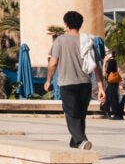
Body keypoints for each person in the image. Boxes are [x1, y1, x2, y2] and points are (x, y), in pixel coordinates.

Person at [44, 10, 106, 149]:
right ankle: (75, 144)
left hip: (68, 84)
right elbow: (96, 67)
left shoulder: (60, 40)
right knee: (80, 115)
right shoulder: (89, 41)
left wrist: (48, 80)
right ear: (80, 24)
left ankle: (81, 140)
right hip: (85, 84)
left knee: (72, 115)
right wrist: (101, 88)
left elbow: (53, 63)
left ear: (66, 24)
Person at [102, 51, 122, 120]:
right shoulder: (113, 61)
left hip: (112, 83)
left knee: (112, 98)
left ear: (110, 55)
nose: (106, 55)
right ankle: (106, 112)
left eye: (107, 54)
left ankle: (116, 114)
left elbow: (105, 73)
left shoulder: (111, 62)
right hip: (112, 83)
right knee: (107, 98)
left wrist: (104, 63)